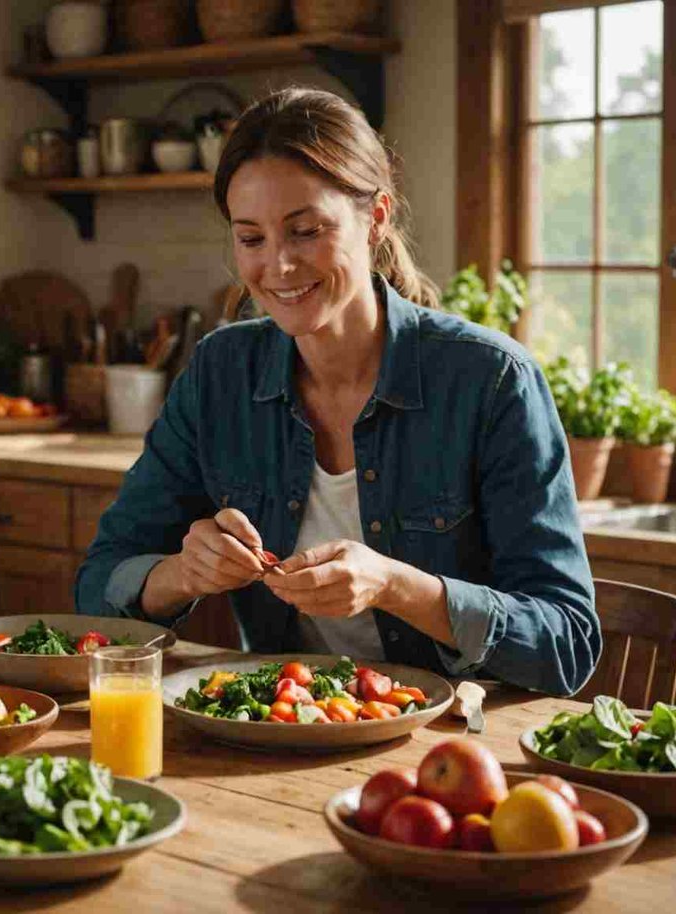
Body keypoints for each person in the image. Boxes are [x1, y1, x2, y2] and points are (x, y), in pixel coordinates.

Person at [74, 87, 599, 696]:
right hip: (282, 725)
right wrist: (181, 574)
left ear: (376, 218)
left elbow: (566, 643)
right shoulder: (220, 372)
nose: (279, 266)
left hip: (458, 733)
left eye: (305, 231)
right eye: (251, 239)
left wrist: (394, 586)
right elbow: (97, 587)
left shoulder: (492, 380)